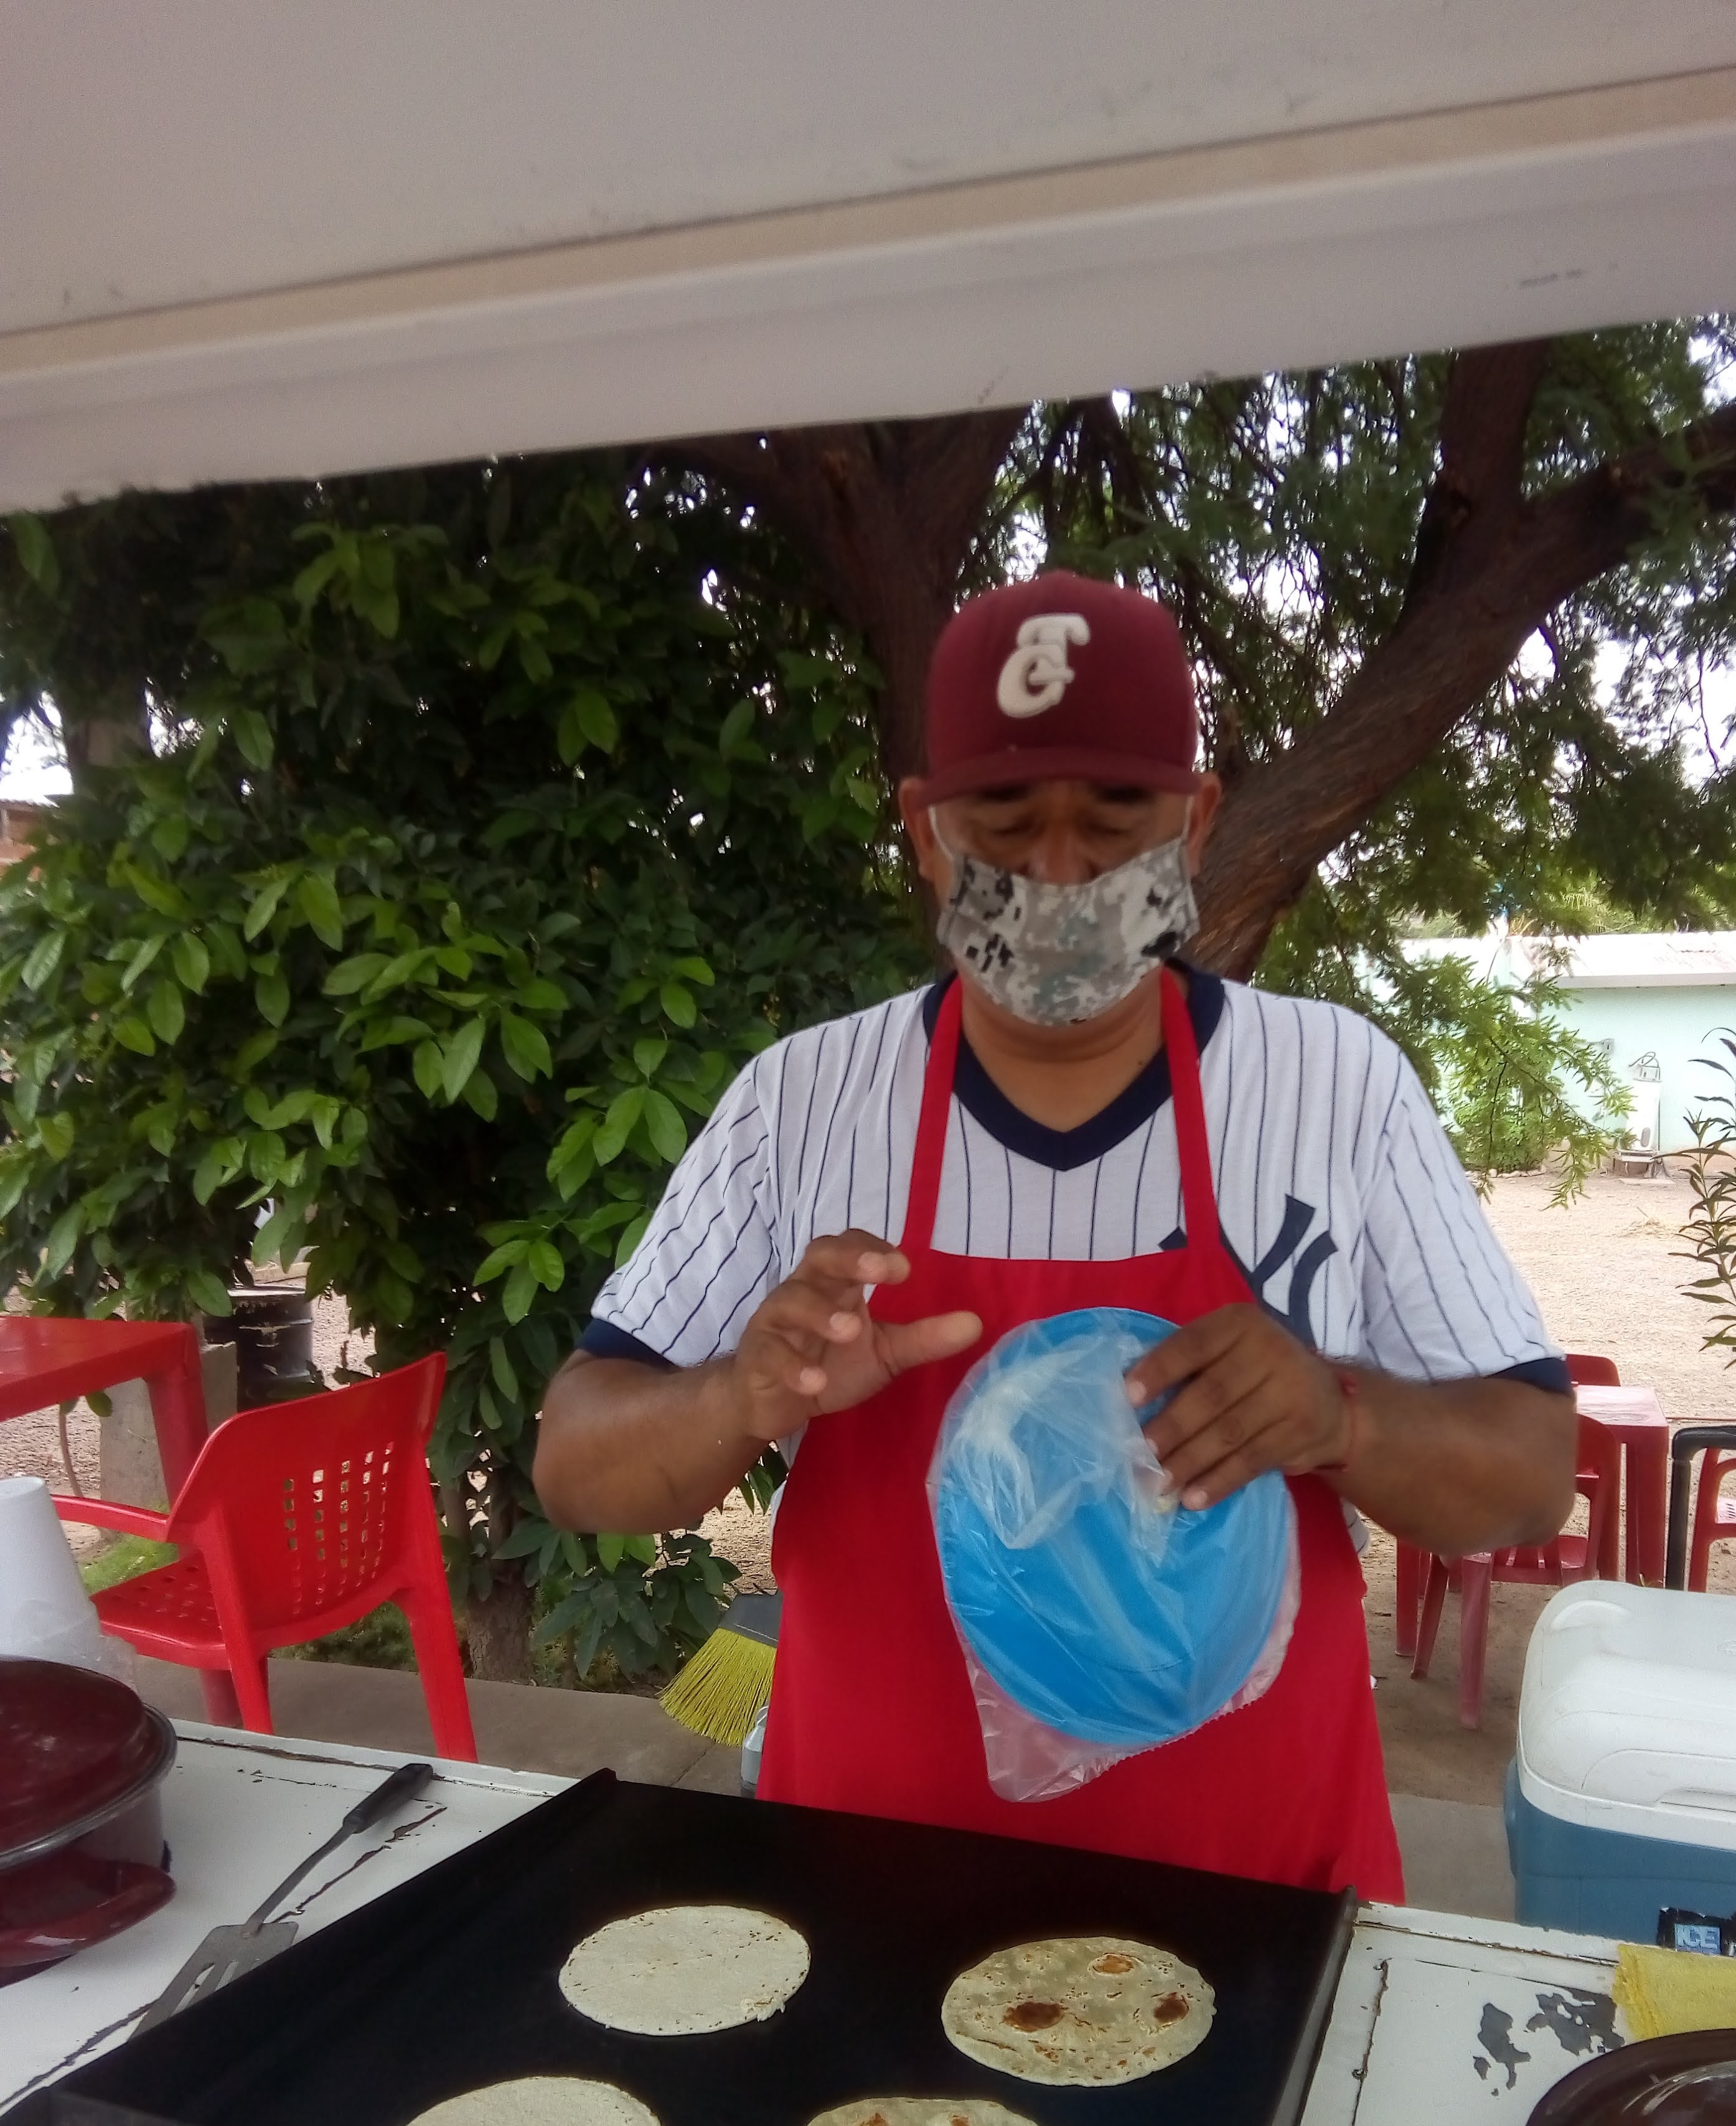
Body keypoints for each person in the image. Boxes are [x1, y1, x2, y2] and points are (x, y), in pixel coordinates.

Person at [535, 571, 1575, 1900]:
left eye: (1114, 816)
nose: (1062, 872)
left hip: (1253, 1905)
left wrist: (1337, 1416)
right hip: (869, 1897)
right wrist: (745, 1392)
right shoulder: (800, 1104)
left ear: (1195, 823)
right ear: (924, 829)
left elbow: (1533, 1470)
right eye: (1007, 822)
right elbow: (578, 1462)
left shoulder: (1336, 1086)